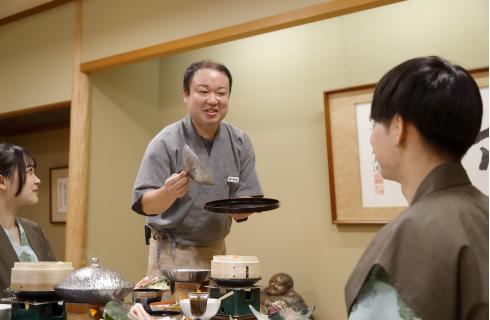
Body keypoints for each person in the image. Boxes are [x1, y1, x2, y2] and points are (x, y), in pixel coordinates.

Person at [344, 56, 488, 320]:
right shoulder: (481, 209)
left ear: (398, 128)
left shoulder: (414, 233)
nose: (372, 137)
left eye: (375, 123)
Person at [132, 60, 263, 278]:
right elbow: (145, 204)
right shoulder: (165, 141)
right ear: (186, 95)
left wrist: (245, 207)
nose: (213, 100)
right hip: (171, 251)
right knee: (170, 311)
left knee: (217, 311)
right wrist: (168, 193)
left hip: (217, 251)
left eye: (221, 93)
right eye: (203, 91)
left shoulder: (239, 141)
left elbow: (244, 203)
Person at [0, 143, 56, 292]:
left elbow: (55, 282)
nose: (37, 180)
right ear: (2, 182)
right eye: (29, 172)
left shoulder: (34, 230)